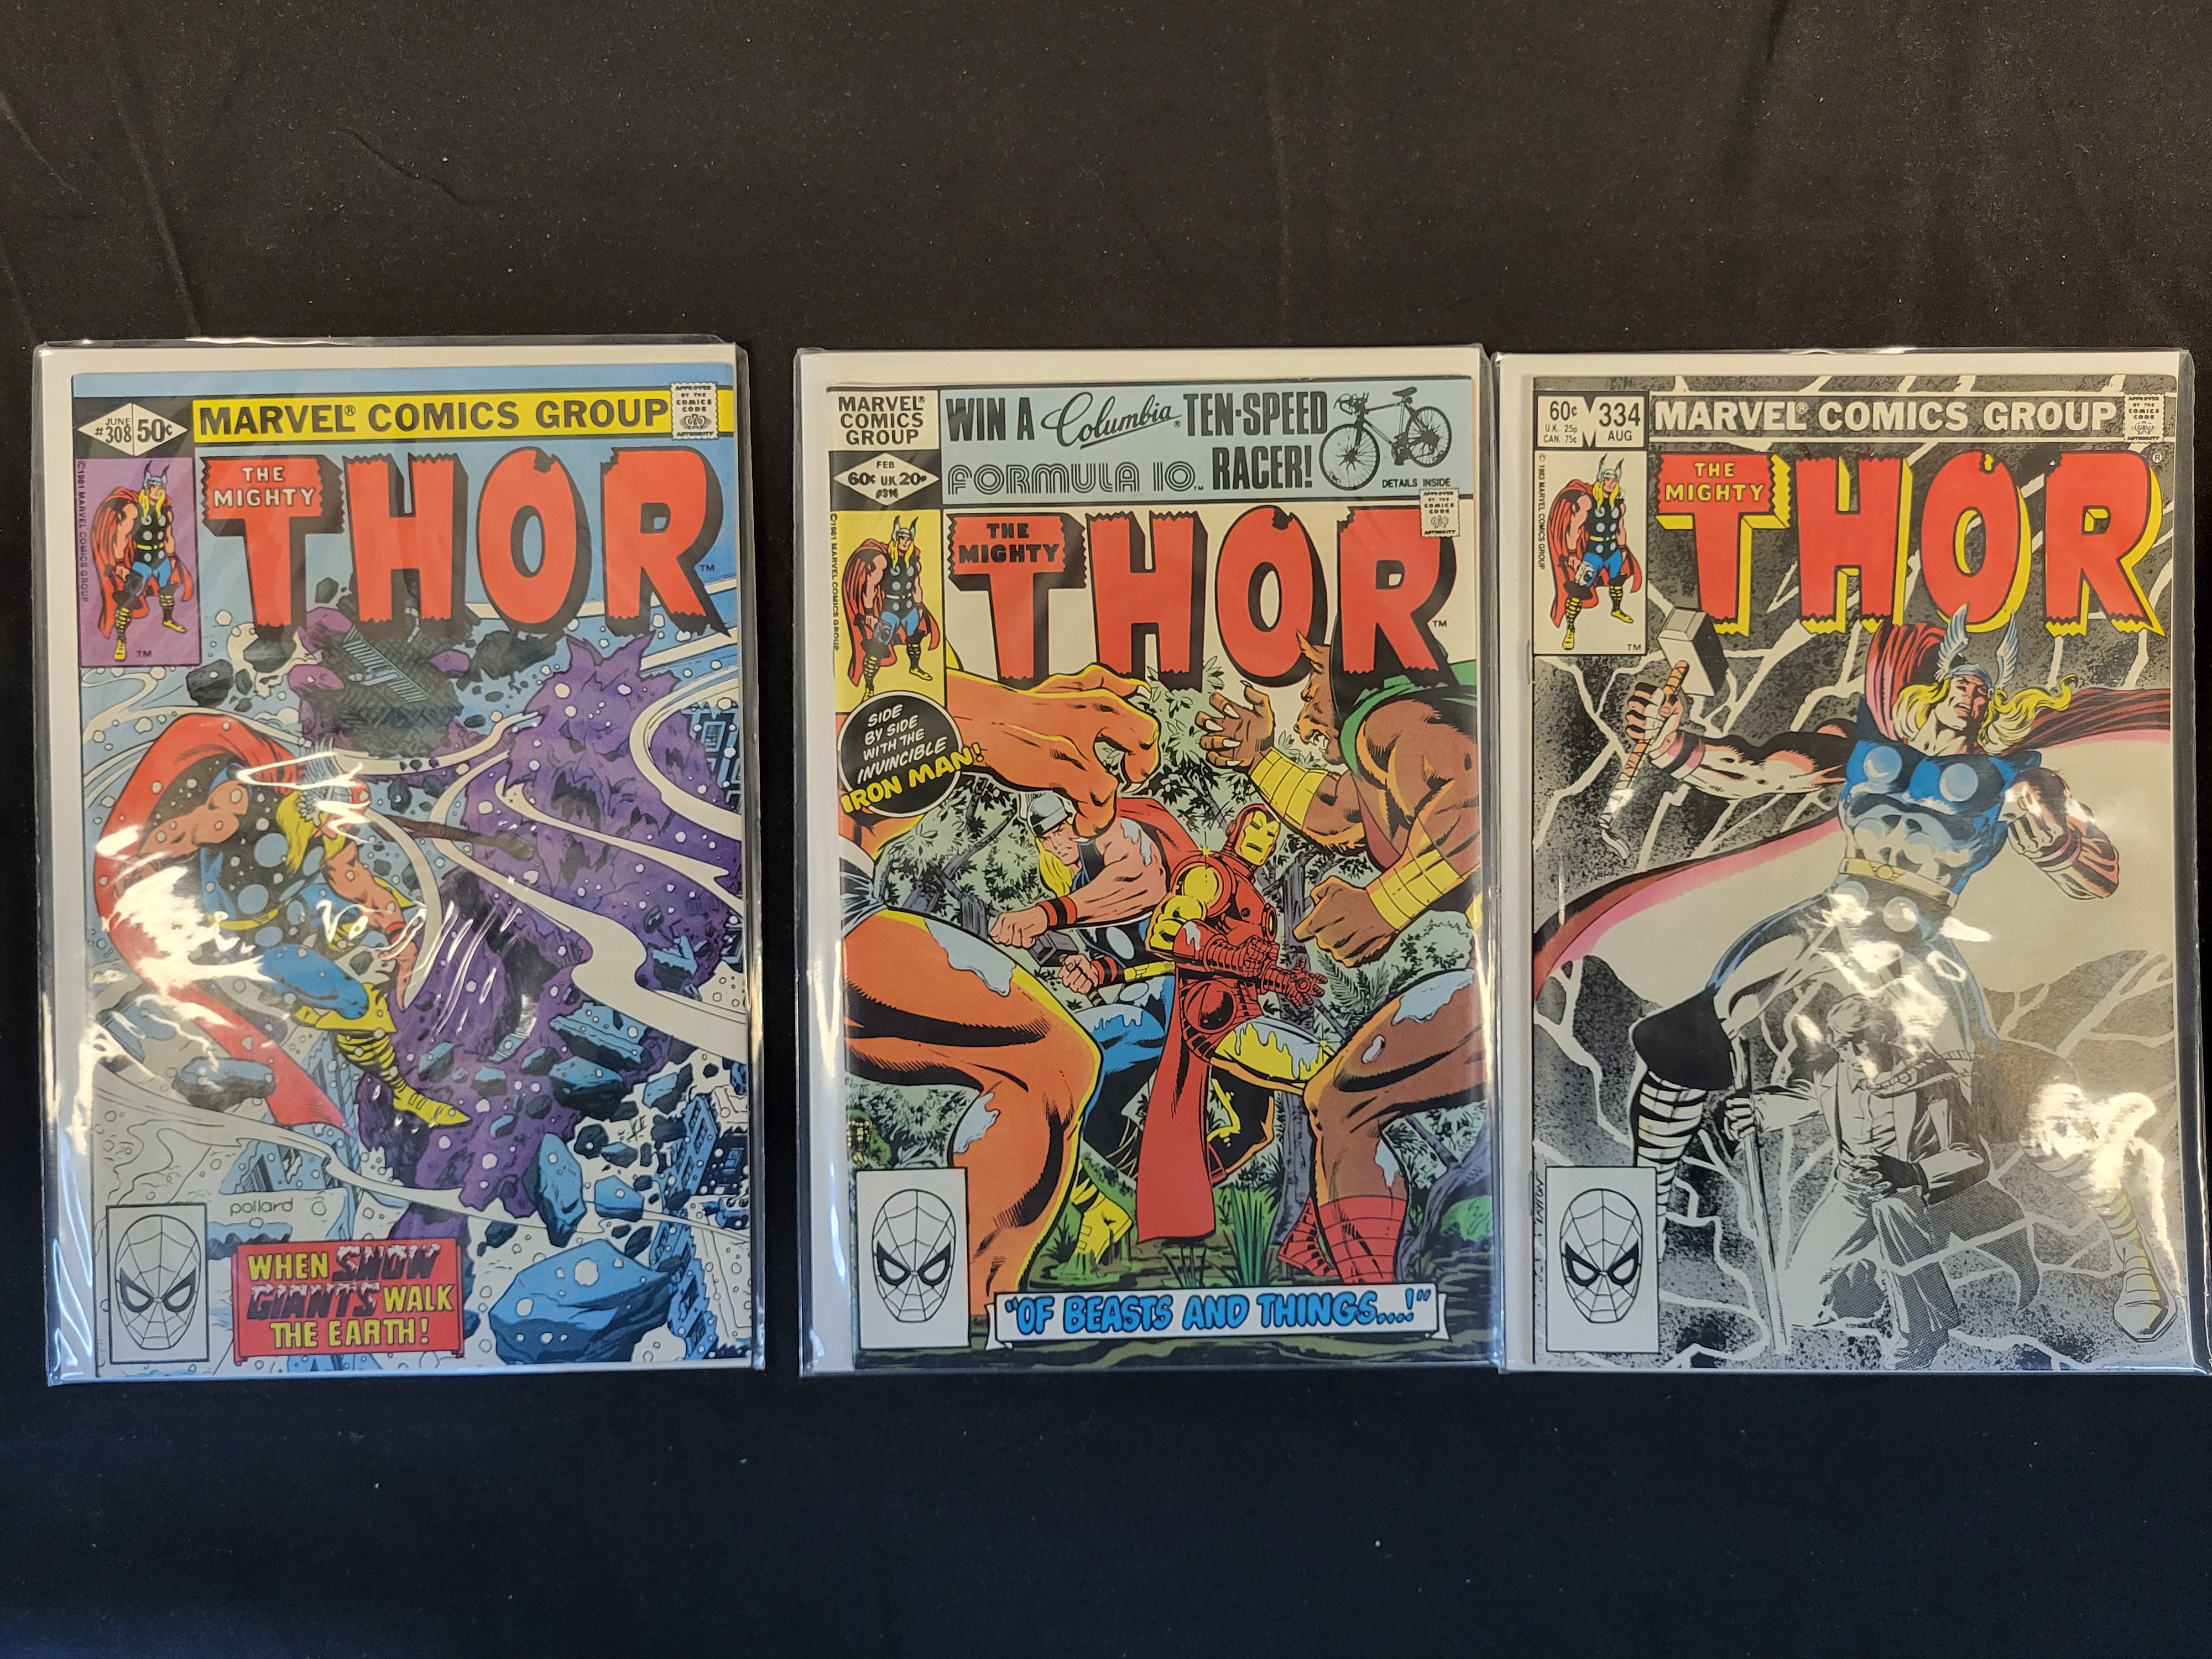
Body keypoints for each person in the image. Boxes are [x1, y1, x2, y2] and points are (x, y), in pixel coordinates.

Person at [1619, 611, 2168, 1341]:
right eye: (1961, 679)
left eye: (1985, 688)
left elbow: (2097, 877)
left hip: (1921, 939)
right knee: (1692, 1031)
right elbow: (1753, 769)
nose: (1970, 694)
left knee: (2007, 1094)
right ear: (1930, 684)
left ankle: (2136, 1258)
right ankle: (1638, 1218)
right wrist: (1673, 744)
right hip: (1829, 919)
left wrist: (2054, 841)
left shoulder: (2013, 779)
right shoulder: (1866, 754)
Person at [1197, 632, 1483, 1282]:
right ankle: (1357, 1277)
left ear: (1348, 678)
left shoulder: (1394, 721)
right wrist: (1260, 761)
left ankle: (1371, 1293)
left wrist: (1385, 902)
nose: (1304, 718)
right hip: (1529, 971)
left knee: (1342, 1103)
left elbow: (1471, 804)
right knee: (1342, 1102)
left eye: (1311, 694)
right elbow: (1332, 810)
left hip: (1529, 968)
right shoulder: (1390, 751)